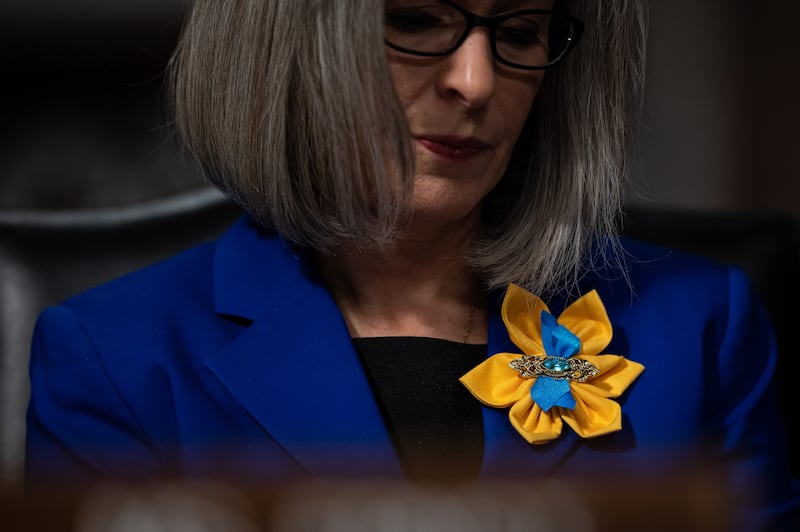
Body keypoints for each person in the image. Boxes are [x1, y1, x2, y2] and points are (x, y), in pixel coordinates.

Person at [26, 0, 797, 527]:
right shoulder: (111, 359)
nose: (476, 81)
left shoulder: (702, 324)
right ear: (289, 47)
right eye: (416, 20)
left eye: (522, 34)